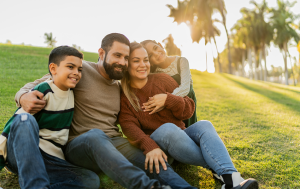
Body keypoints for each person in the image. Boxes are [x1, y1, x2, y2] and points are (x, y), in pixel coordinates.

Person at [14, 33, 192, 189]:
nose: (122, 62)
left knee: (152, 160)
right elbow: (37, 83)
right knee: (96, 136)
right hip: (80, 145)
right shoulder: (80, 70)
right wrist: (22, 97)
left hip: (113, 141)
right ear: (101, 53)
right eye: (117, 55)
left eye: (126, 58)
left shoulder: (121, 85)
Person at [119, 42, 259, 189]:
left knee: (205, 124)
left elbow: (188, 108)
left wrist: (169, 99)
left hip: (182, 140)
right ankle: (217, 167)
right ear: (127, 65)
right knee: (168, 129)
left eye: (145, 60)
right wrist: (149, 145)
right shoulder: (125, 96)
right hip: (159, 147)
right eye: (136, 61)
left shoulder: (162, 79)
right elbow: (128, 127)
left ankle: (232, 179)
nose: (143, 64)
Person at [0, 46, 100, 189]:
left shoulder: (73, 91)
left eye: (79, 69)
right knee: (24, 120)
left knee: (90, 180)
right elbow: (13, 127)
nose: (76, 73)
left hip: (51, 162)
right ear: (53, 69)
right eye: (70, 67)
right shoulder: (42, 92)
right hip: (24, 153)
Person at [140, 40, 197, 128]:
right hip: (169, 108)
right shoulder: (154, 72)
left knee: (191, 128)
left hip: (187, 101)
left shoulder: (181, 61)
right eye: (150, 55)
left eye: (156, 48)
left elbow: (185, 88)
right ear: (149, 61)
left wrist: (166, 99)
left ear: (160, 45)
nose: (156, 54)